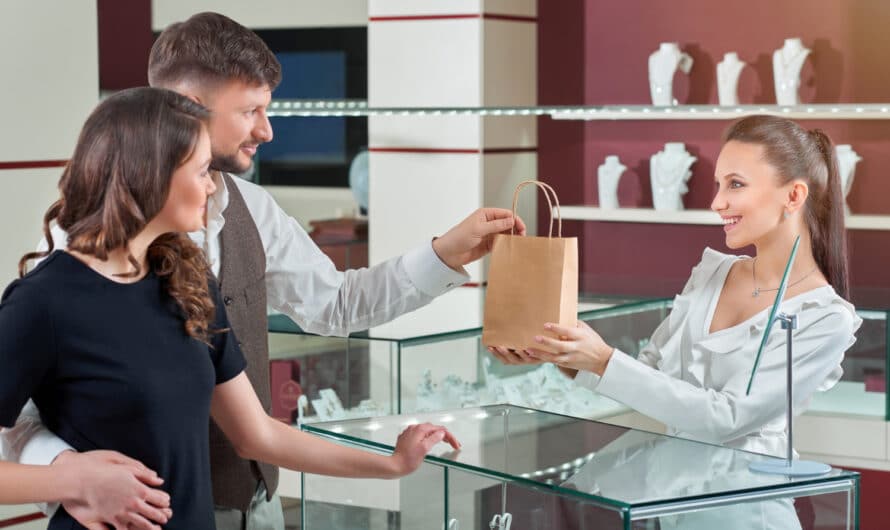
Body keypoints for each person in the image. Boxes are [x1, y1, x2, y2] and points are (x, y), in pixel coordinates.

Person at [1, 12, 524, 529]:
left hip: (254, 505)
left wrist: (445, 255)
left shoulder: (203, 259)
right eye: (250, 109)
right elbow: (24, 420)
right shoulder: (55, 281)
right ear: (187, 108)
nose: (267, 130)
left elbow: (329, 314)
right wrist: (73, 477)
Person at [491, 114, 861, 459]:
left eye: (735, 184)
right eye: (718, 185)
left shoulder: (825, 319)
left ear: (794, 196)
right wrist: (565, 354)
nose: (717, 202)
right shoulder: (711, 274)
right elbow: (648, 375)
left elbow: (728, 418)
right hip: (674, 499)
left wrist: (602, 359)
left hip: (751, 508)